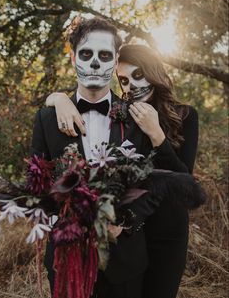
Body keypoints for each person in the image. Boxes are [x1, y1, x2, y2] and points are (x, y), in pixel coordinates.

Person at [46, 42, 199, 298]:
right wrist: (59, 99)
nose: (132, 86)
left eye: (138, 75)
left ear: (152, 70)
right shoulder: (123, 113)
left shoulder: (184, 115)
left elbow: (185, 184)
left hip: (166, 234)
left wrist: (157, 135)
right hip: (131, 234)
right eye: (125, 81)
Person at [31, 17, 159, 298]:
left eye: (104, 56)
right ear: (73, 58)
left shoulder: (139, 117)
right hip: (66, 261)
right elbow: (37, 184)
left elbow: (153, 186)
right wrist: (63, 219)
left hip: (124, 262)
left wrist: (124, 222)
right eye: (86, 54)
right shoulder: (47, 119)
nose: (95, 64)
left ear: (115, 63)